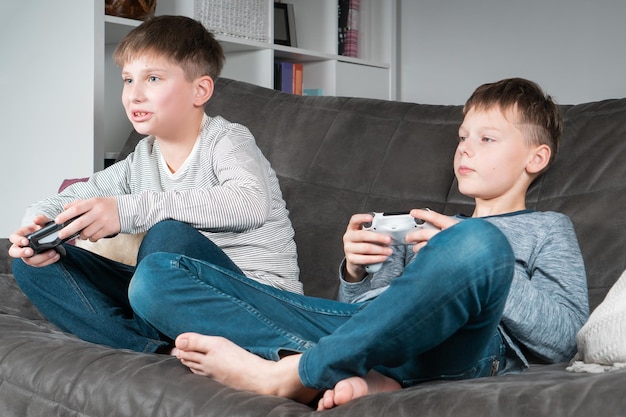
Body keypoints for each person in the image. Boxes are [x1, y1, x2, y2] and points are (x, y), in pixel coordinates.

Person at [126, 77, 590, 410]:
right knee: (155, 275)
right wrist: (354, 271)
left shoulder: (549, 227)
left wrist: (471, 259)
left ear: (537, 157)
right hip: (370, 335)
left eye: (487, 138)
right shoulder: (420, 223)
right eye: (462, 137)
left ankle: (289, 374)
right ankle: (364, 374)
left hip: (467, 347)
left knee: (478, 244)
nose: (465, 148)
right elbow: (358, 312)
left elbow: (566, 338)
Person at [7, 15, 301, 354]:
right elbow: (73, 196)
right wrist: (36, 226)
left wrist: (128, 210)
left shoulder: (228, 140)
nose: (135, 95)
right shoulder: (141, 158)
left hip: (255, 300)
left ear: (200, 90)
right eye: (128, 80)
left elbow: (248, 203)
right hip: (169, 295)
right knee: (30, 265)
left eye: (153, 78)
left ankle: (160, 329)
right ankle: (152, 346)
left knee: (166, 236)